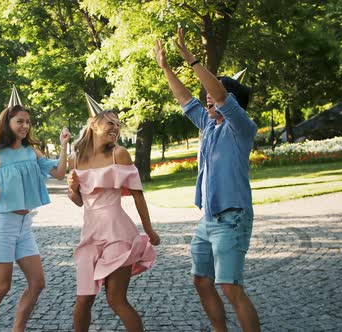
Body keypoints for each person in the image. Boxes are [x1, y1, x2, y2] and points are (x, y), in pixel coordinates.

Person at [154, 27, 260, 332]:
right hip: (208, 219)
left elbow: (221, 94)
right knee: (201, 280)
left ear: (230, 103)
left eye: (213, 96)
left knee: (230, 287)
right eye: (208, 98)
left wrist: (191, 59)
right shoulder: (209, 126)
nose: (207, 100)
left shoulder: (241, 127)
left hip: (233, 219)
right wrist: (165, 68)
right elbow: (186, 99)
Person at [0, 102, 70, 332]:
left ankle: (18, 329)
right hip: (3, 225)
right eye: (20, 121)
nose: (25, 125)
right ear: (8, 124)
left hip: (25, 226)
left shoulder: (32, 152)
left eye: (27, 121)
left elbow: (59, 173)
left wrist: (64, 146)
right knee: (3, 285)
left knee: (37, 283)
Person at [67, 100, 160, 332]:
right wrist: (72, 189)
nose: (116, 128)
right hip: (90, 235)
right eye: (110, 122)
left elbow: (138, 195)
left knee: (116, 299)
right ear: (93, 124)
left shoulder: (120, 154)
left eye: (118, 124)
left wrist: (148, 230)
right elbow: (79, 202)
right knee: (83, 300)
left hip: (118, 233)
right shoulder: (75, 158)